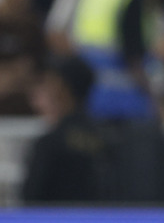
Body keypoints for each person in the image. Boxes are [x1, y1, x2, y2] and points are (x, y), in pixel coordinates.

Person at [22, 55, 108, 203]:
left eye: (48, 84)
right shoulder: (108, 140)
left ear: (62, 89)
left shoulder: (49, 145)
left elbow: (30, 199)